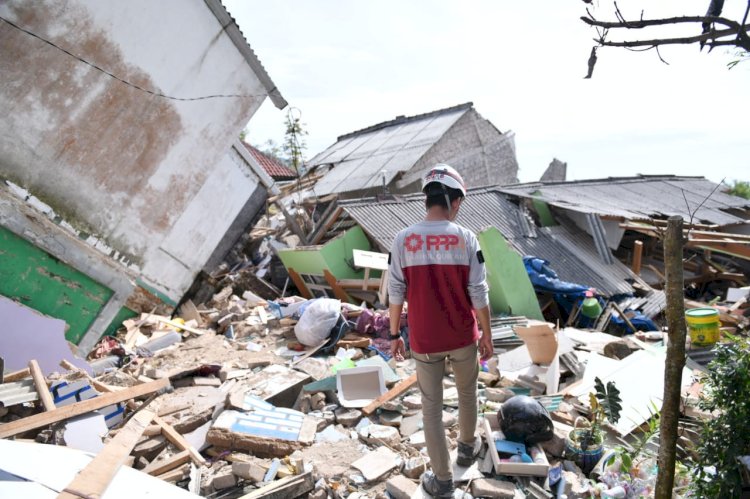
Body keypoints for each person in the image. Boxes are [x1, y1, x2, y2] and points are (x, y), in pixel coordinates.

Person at [387, 163, 493, 498]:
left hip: (425, 340)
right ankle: (466, 448)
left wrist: (393, 335)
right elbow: (479, 292)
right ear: (455, 200)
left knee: (431, 407)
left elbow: (395, 294)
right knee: (466, 394)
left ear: (427, 198)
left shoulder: (403, 239)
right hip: (463, 336)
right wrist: (487, 335)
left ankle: (443, 481)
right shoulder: (466, 238)